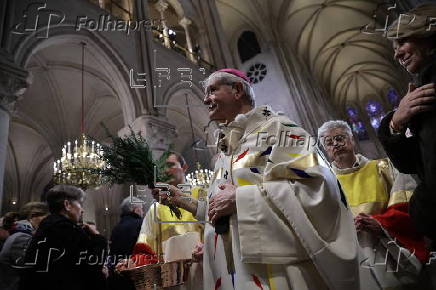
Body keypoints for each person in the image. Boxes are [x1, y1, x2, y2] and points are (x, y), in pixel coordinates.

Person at [151, 69, 360, 290]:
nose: (205, 99)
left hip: (276, 271)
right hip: (235, 273)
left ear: (237, 90)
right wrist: (183, 200)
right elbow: (222, 211)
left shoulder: (279, 129)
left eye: (212, 90)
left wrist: (241, 197)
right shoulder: (225, 152)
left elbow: (318, 188)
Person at [319, 120, 428, 289]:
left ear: (352, 140)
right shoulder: (323, 187)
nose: (335, 144)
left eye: (340, 138)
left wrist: (381, 224)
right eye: (328, 142)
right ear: (325, 150)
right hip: (353, 263)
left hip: (391, 256)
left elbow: (407, 205)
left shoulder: (383, 167)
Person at [378, 3, 436, 242]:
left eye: (402, 42)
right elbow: (414, 164)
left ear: (427, 38)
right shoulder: (419, 92)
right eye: (394, 48)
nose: (397, 54)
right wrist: (396, 122)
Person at [131, 152, 204, 290]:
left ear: (184, 167)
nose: (166, 170)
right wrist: (134, 261)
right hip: (170, 281)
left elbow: (217, 230)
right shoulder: (156, 209)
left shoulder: (201, 196)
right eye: (163, 167)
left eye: (171, 165)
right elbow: (144, 244)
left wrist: (208, 246)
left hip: (201, 273)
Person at [19, 185, 107, 290]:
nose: (82, 210)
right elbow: (91, 267)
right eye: (80, 204)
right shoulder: (67, 229)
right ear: (67, 205)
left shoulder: (47, 225)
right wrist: (98, 237)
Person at [0, 202, 49, 290]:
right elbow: (31, 271)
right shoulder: (21, 238)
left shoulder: (20, 235)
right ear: (32, 217)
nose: (48, 223)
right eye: (46, 219)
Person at [107, 196, 144, 290]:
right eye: (142, 209)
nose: (143, 212)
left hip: (119, 275)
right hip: (137, 275)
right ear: (136, 210)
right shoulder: (140, 224)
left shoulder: (116, 228)